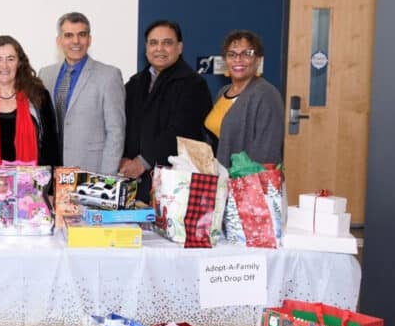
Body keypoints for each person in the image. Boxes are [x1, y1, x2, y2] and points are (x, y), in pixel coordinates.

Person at [120, 20, 212, 202]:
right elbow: (121, 123)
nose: (159, 49)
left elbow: (183, 131)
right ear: (146, 48)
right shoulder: (135, 83)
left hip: (173, 185)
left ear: (180, 47)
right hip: (132, 181)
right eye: (153, 43)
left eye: (167, 43)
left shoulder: (193, 84)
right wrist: (121, 158)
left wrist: (143, 162)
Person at [0, 35, 60, 217]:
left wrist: (52, 191)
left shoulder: (38, 97)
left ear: (19, 63)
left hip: (32, 196)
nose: (4, 66)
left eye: (10, 59)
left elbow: (51, 146)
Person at [39, 12, 125, 174]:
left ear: (89, 39)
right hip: (52, 171)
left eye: (82, 35)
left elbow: (116, 132)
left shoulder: (109, 76)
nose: (76, 41)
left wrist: (106, 179)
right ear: (59, 41)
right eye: (69, 35)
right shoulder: (45, 75)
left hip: (91, 172)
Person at [206, 30, 284, 167]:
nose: (238, 59)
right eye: (231, 54)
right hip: (221, 178)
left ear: (258, 59)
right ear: (225, 60)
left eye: (247, 54)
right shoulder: (223, 92)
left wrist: (244, 183)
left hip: (248, 183)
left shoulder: (267, 95)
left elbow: (267, 151)